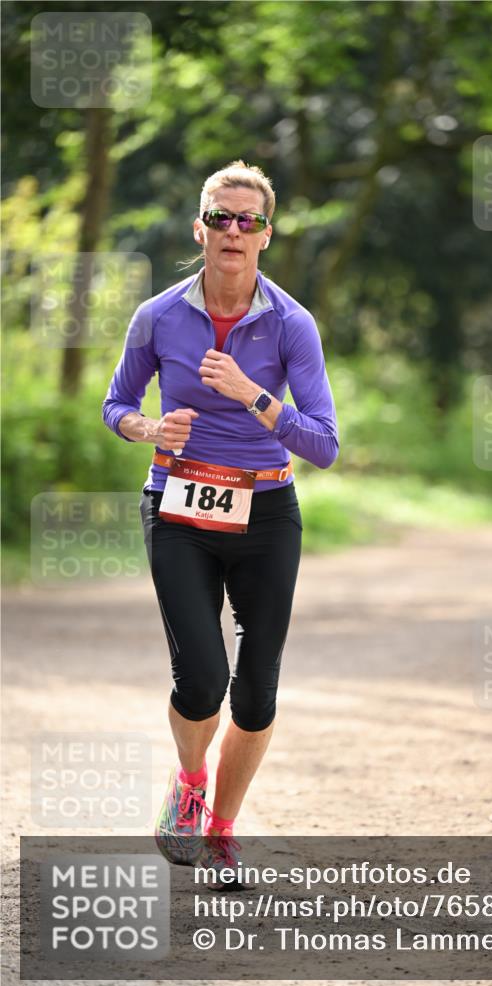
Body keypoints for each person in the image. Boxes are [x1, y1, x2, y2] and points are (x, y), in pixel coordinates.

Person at [103, 160, 338, 878]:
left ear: (266, 235)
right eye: (221, 217)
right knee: (201, 679)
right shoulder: (159, 316)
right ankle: (191, 782)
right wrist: (147, 432)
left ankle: (221, 830)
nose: (234, 231)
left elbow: (324, 444)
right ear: (199, 227)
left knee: (255, 691)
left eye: (250, 220)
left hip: (266, 509)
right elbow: (116, 405)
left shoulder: (291, 323)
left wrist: (253, 398)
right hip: (177, 505)